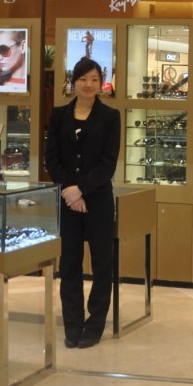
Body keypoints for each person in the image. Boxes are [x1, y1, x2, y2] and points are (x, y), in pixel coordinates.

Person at [44, 57, 121, 349]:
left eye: (94, 79)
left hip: (98, 199)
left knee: (102, 265)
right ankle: (73, 325)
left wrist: (81, 190)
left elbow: (108, 163)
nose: (88, 85)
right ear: (73, 82)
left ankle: (94, 325)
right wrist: (69, 190)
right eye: (83, 79)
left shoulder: (110, 116)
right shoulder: (59, 115)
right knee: (70, 265)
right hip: (67, 201)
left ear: (101, 83)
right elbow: (51, 157)